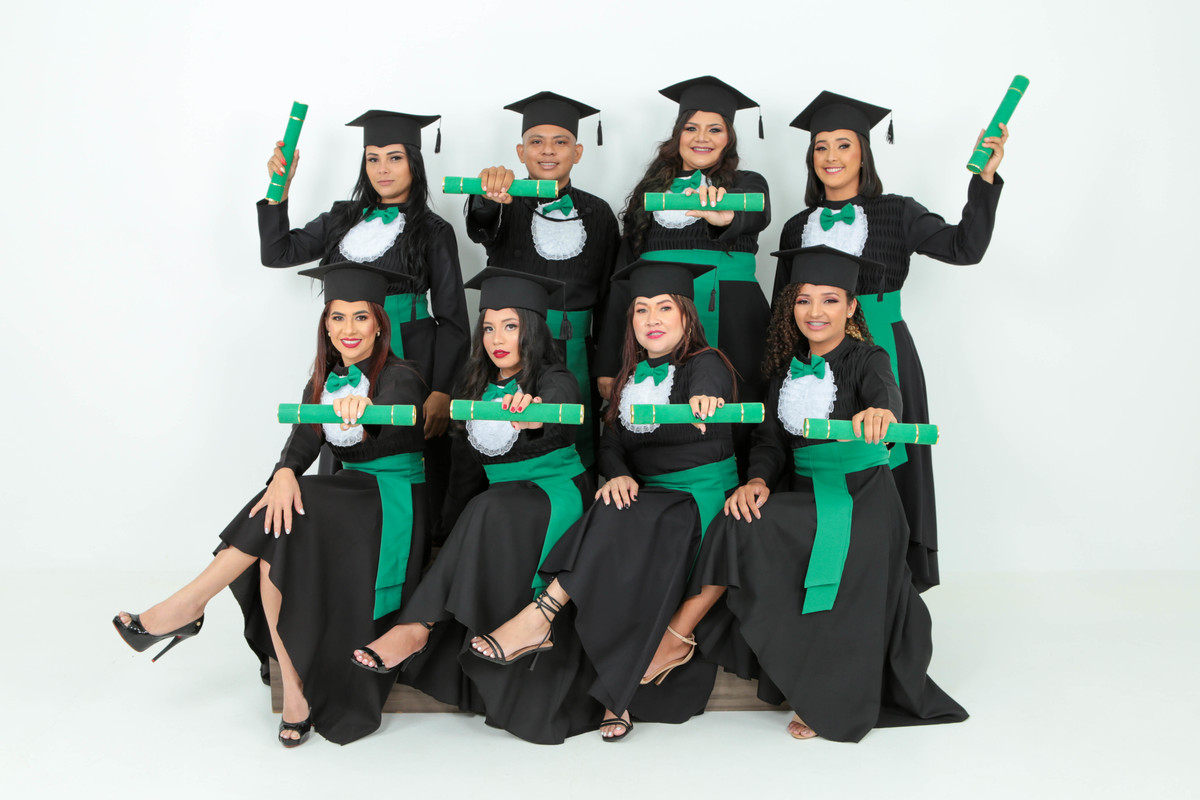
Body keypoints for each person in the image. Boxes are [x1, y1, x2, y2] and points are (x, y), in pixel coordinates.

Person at [113, 263, 431, 746]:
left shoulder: (402, 375)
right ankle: (294, 692)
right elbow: (302, 441)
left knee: (298, 502)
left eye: (361, 317)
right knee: (277, 530)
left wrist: (367, 413)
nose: (348, 328)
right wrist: (284, 473)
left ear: (379, 325)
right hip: (346, 497)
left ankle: (188, 605)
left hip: (392, 499)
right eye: (337, 317)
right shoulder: (322, 380)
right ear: (326, 325)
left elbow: (398, 419)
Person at [669, 245, 967, 742]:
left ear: (851, 307)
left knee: (844, 568)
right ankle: (686, 639)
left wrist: (881, 414)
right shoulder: (785, 369)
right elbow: (770, 442)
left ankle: (828, 695)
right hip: (804, 492)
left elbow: (885, 396)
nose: (815, 312)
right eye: (804, 300)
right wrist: (758, 480)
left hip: (863, 498)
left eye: (830, 300)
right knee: (738, 521)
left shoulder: (869, 358)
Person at [470, 258, 738, 741]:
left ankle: (542, 614)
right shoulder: (629, 377)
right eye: (641, 310)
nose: (651, 319)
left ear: (687, 315)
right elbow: (611, 442)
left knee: (615, 522)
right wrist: (616, 474)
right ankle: (617, 692)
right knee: (611, 521)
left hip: (698, 499)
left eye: (664, 308)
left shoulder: (706, 363)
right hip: (649, 500)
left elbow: (710, 389)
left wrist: (705, 401)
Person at [351, 268, 602, 743]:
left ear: (533, 329)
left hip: (556, 494)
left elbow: (562, 409)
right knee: (482, 505)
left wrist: (533, 416)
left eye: (510, 326)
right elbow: (465, 475)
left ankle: (417, 627)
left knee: (489, 507)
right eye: (488, 327)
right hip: (505, 501)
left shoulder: (554, 377)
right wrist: (444, 535)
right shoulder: (472, 387)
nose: (496, 339)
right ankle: (421, 628)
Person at [773, 91, 1009, 590]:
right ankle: (827, 589)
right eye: (821, 147)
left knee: (887, 462)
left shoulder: (897, 212)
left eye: (844, 145)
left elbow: (964, 248)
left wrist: (985, 179)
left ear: (864, 152)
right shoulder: (796, 227)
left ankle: (893, 592)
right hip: (814, 357)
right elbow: (782, 310)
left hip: (885, 351)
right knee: (819, 467)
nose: (831, 157)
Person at [259, 109, 469, 537]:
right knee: (344, 437)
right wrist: (280, 190)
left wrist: (442, 390)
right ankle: (343, 543)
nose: (382, 169)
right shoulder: (342, 218)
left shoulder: (434, 230)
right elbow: (277, 253)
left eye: (394, 158)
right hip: (352, 351)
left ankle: (419, 555)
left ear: (414, 162)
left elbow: (453, 319)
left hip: (415, 359)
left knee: (418, 460)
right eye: (373, 158)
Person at [595, 76, 771, 455]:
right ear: (677, 135)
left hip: (737, 321)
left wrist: (725, 215)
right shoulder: (649, 194)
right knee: (666, 421)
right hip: (659, 324)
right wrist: (608, 364)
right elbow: (623, 280)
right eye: (691, 128)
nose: (701, 137)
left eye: (715, 129)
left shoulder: (746, 184)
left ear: (729, 138)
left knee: (741, 412)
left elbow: (759, 211)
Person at [466, 92, 619, 471]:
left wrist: (608, 365)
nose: (548, 150)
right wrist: (486, 198)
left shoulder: (599, 213)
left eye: (560, 142)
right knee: (506, 430)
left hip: (576, 346)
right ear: (521, 152)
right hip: (509, 345)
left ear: (577, 152)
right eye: (536, 142)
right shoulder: (503, 201)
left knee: (575, 435)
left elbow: (610, 296)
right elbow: (481, 223)